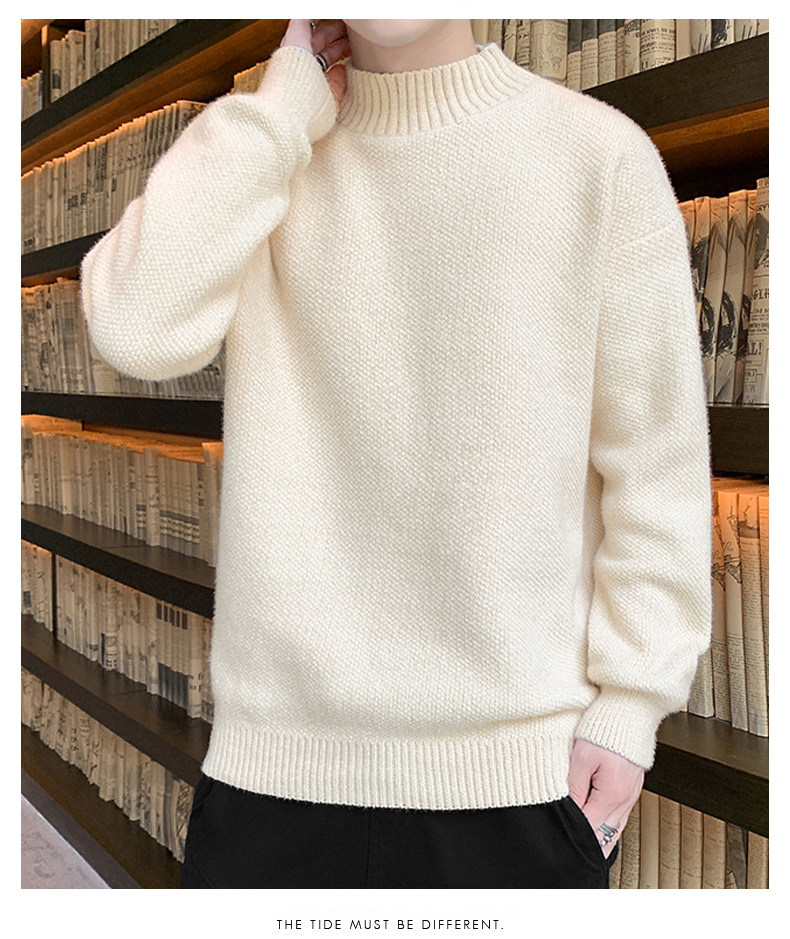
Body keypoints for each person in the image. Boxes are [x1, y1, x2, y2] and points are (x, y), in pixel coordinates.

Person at [79, 19, 713, 889]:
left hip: (525, 783)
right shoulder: (267, 149)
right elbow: (134, 329)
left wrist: (631, 710)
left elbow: (656, 468)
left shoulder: (597, 157)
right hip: (275, 772)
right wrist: (282, 102)